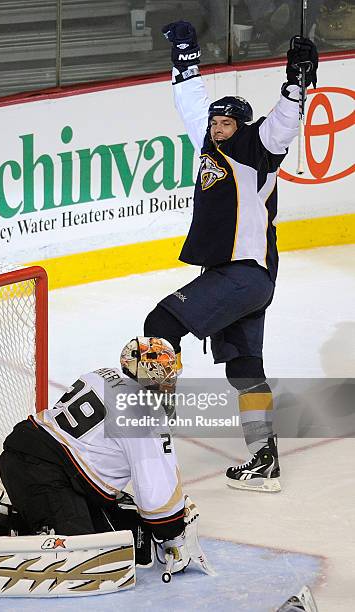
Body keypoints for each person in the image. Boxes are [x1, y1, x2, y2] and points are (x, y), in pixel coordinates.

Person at [144, 21, 318, 492]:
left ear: (242, 126)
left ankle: (152, 444)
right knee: (244, 370)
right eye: (216, 123)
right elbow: (192, 105)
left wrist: (296, 82)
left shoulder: (256, 148)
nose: (217, 129)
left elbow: (282, 124)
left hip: (242, 275)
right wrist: (185, 57)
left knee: (159, 327)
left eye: (226, 123)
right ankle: (264, 461)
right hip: (250, 280)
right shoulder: (211, 140)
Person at [0, 337, 210, 577]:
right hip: (45, 476)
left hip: (24, 459)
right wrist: (172, 530)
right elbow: (157, 495)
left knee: (120, 528)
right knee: (87, 557)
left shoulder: (102, 373)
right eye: (164, 374)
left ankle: (14, 519)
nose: (169, 381)